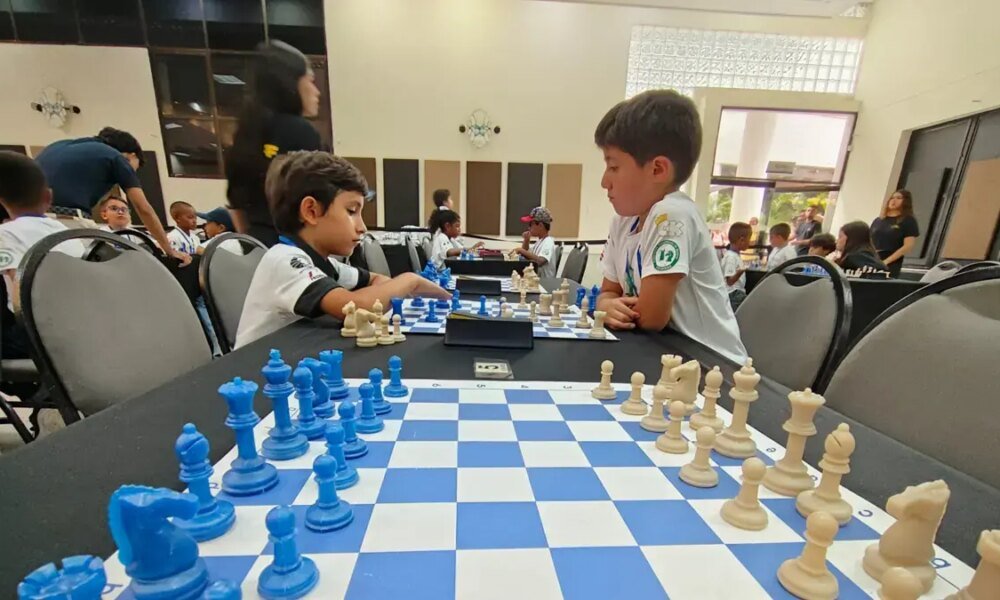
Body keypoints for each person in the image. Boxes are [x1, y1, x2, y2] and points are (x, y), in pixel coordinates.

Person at [234, 151, 450, 349]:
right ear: (311, 211)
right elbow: (361, 307)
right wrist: (411, 280)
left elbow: (377, 281)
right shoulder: (284, 260)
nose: (362, 227)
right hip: (253, 377)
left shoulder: (327, 265)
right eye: (352, 211)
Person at [593, 90, 747, 364]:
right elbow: (608, 292)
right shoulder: (623, 222)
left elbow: (651, 318)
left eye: (613, 167)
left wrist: (609, 306)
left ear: (657, 170)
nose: (605, 181)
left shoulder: (671, 214)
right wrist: (605, 304)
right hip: (665, 353)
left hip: (712, 365)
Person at [34, 127, 189, 265]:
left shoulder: (57, 146)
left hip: (28, 220)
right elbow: (143, 208)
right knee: (110, 269)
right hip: (67, 221)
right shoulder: (115, 157)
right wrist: (169, 251)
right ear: (131, 156)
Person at [227, 41, 325, 246]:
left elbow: (235, 202)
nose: (317, 92)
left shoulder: (247, 131)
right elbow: (320, 202)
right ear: (291, 83)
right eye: (310, 81)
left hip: (256, 245)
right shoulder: (300, 131)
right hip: (295, 250)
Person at [0, 152, 87, 359]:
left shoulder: (5, 234)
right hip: (81, 327)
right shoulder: (69, 231)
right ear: (48, 196)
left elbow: (20, 294)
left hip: (38, 337)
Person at [870, 189, 919, 278]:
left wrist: (886, 261)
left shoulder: (908, 220)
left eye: (898, 198)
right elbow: (869, 240)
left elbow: (908, 246)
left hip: (891, 260)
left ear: (905, 201)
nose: (894, 200)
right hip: (873, 258)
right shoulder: (878, 220)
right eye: (892, 198)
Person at [514, 207, 557, 279]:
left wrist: (521, 250)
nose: (529, 228)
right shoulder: (539, 242)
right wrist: (526, 240)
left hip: (544, 284)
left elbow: (540, 261)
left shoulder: (548, 241)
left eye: (531, 224)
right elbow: (526, 256)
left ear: (540, 226)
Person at [720, 222, 751, 312]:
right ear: (742, 240)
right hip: (734, 293)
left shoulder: (735, 256)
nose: (750, 242)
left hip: (737, 292)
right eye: (749, 239)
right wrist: (740, 272)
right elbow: (730, 281)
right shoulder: (731, 257)